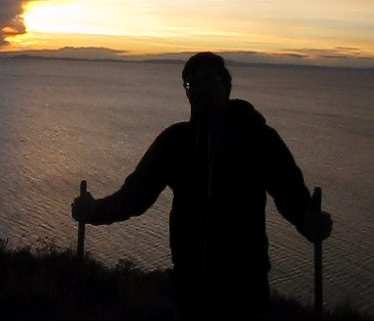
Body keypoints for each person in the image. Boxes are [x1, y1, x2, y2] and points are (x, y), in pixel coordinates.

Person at [71, 52, 332, 319]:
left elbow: (290, 193)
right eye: (191, 83)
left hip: (245, 287)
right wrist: (95, 211)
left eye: (208, 81)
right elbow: (135, 195)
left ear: (226, 85)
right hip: (191, 286)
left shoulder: (257, 138)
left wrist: (308, 220)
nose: (199, 89)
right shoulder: (175, 142)